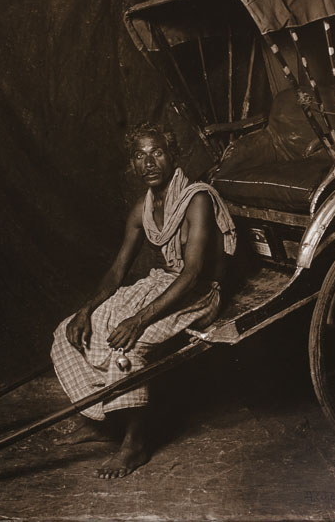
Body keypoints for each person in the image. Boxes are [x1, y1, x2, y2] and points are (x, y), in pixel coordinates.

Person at [51, 122, 236, 479]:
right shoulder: (144, 207)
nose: (149, 162)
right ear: (132, 165)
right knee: (70, 331)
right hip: (163, 284)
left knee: (127, 348)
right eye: (140, 155)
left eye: (158, 152)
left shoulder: (197, 199)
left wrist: (138, 320)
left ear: (172, 155)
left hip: (197, 294)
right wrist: (86, 311)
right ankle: (102, 421)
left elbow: (193, 274)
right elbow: (118, 270)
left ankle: (135, 444)